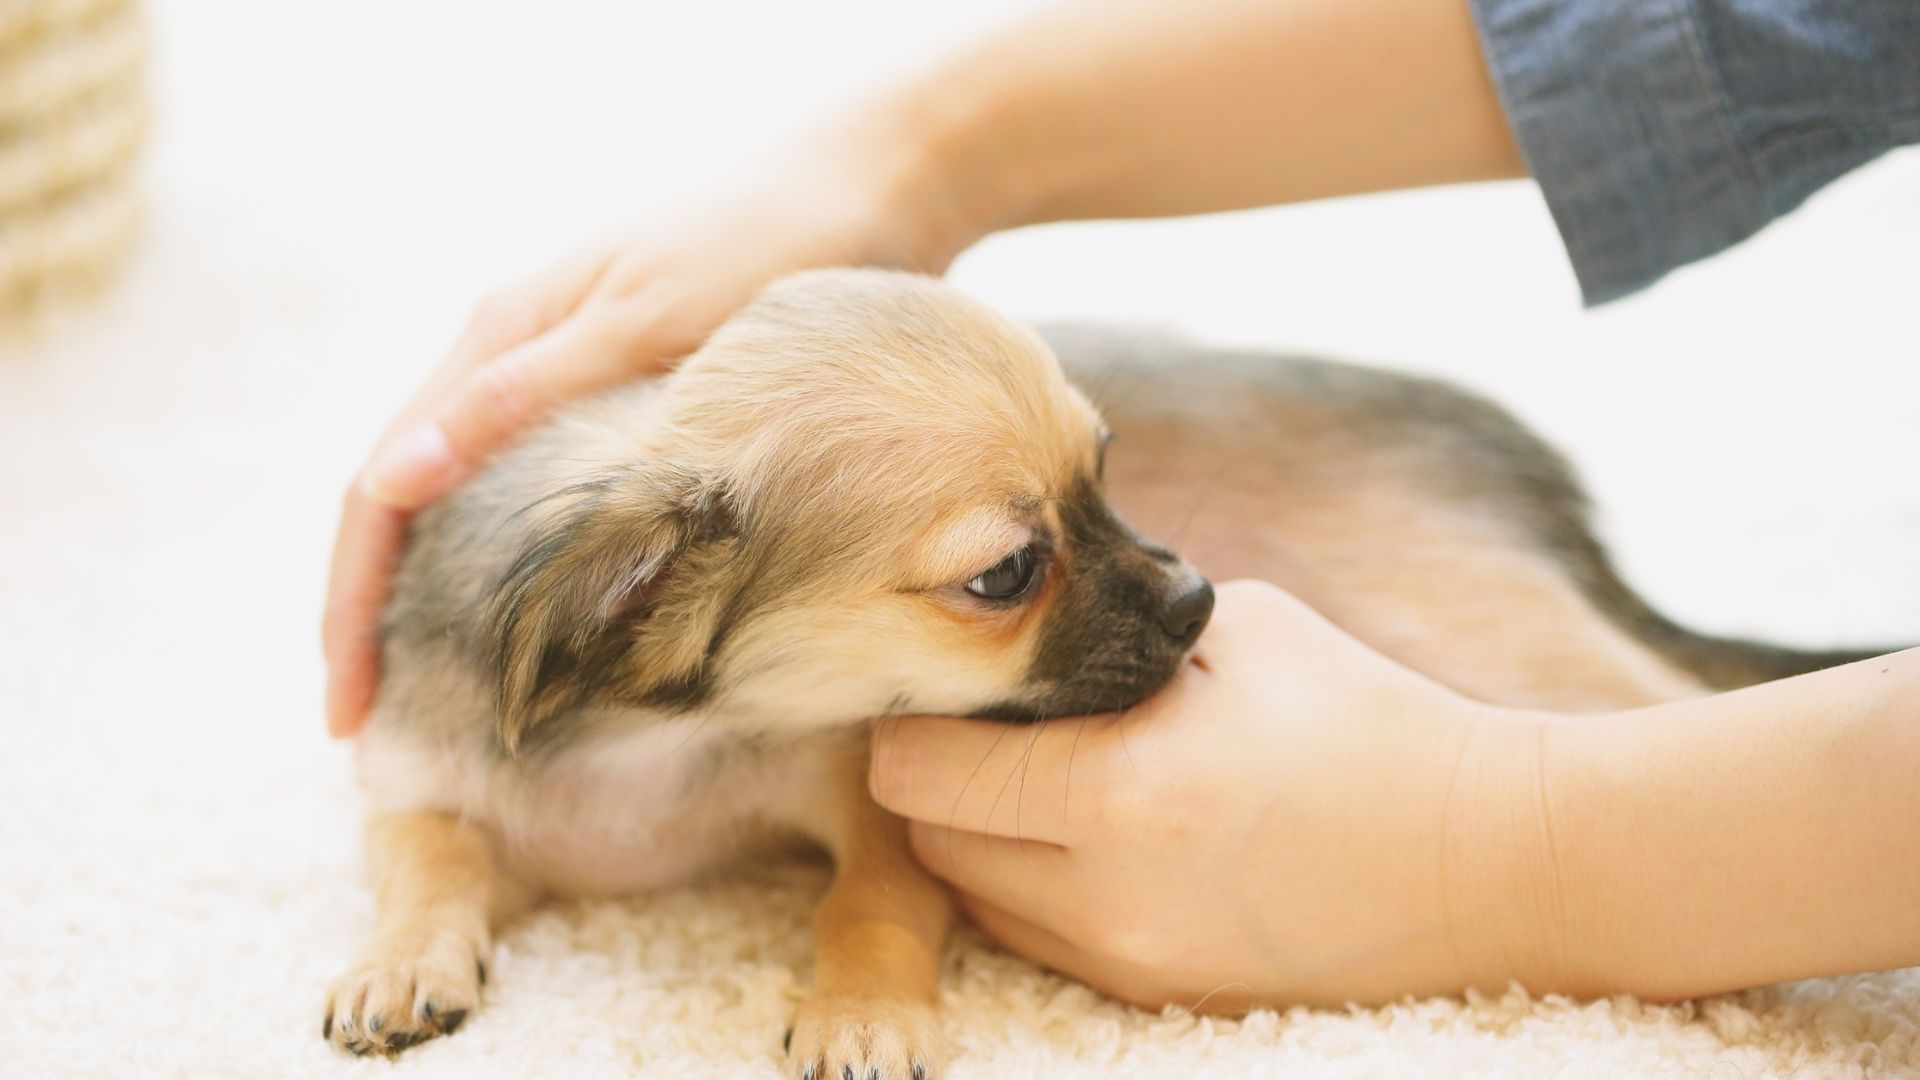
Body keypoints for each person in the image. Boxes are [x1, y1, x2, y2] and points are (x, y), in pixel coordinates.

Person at [322, 0, 1920, 1008]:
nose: (1175, 586)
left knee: (1590, 701)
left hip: (1334, 453)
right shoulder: (584, 627)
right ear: (634, 603)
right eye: (1006, 571)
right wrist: (927, 149)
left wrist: (1496, 844)